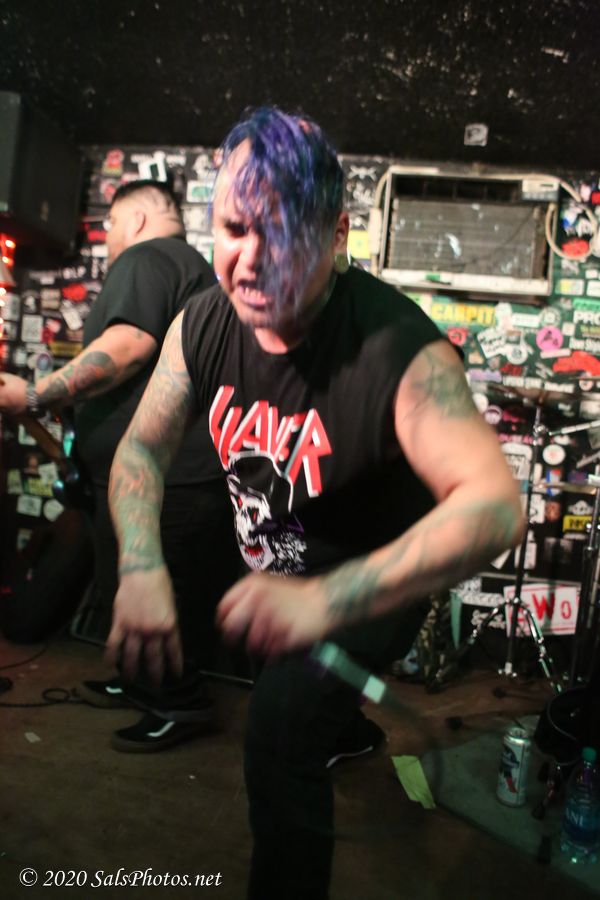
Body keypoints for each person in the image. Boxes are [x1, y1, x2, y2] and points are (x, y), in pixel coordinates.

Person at [105, 109, 523, 899]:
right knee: (297, 689)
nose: (251, 259)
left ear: (336, 235)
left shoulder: (395, 346)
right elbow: (142, 448)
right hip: (281, 568)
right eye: (234, 229)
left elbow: (496, 505)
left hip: (371, 580)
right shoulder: (203, 323)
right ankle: (347, 726)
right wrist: (140, 562)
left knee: (278, 734)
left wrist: (325, 601)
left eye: (282, 232)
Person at [0, 179, 239, 751]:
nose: (107, 239)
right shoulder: (187, 267)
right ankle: (141, 684)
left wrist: (32, 395)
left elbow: (129, 344)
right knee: (129, 588)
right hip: (169, 475)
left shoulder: (147, 256)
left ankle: (178, 704)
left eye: (109, 226)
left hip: (168, 478)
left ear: (135, 219)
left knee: (159, 593)